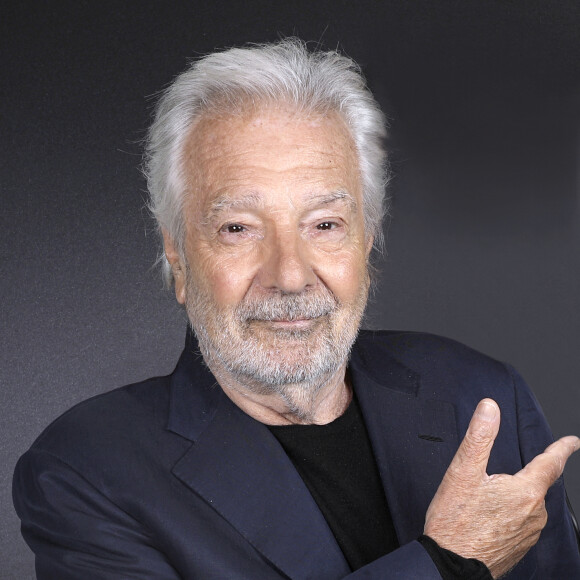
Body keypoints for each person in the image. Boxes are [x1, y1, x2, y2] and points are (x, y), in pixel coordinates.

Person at [13, 38, 580, 579]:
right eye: (238, 228)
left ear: (368, 242)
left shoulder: (481, 394)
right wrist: (449, 563)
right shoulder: (86, 470)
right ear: (179, 257)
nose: (289, 275)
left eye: (325, 225)